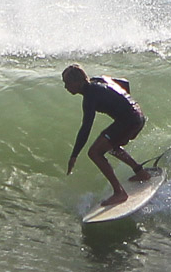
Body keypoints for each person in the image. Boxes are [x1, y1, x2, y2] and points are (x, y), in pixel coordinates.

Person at [61, 64, 152, 207]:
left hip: (129, 120)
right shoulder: (98, 80)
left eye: (67, 83)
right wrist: (125, 103)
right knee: (110, 145)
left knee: (94, 152)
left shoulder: (90, 97)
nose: (66, 87)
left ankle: (119, 193)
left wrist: (74, 155)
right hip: (137, 115)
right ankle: (140, 172)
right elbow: (124, 83)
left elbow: (86, 127)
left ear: (77, 82)